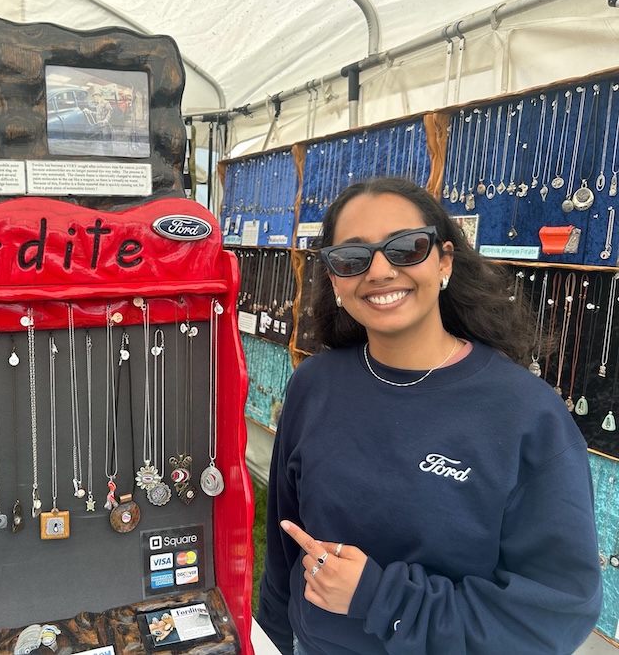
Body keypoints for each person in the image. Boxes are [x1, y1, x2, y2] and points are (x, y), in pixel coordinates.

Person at [257, 177, 602, 654]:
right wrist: (267, 638)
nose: (378, 271)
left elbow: (554, 615)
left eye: (405, 248)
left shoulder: (526, 416)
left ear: (444, 260)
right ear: (336, 279)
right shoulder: (314, 385)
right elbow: (286, 544)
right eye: (353, 258)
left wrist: (384, 600)